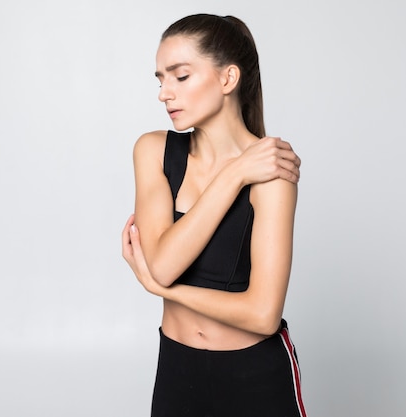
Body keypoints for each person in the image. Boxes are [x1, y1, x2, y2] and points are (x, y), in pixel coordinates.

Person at [121, 14, 307, 417]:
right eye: (160, 79)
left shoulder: (274, 173)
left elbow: (262, 315)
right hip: (177, 372)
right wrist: (236, 173)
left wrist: (164, 293)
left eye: (180, 77)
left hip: (254, 379)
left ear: (228, 79)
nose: (164, 93)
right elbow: (165, 264)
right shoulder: (152, 151)